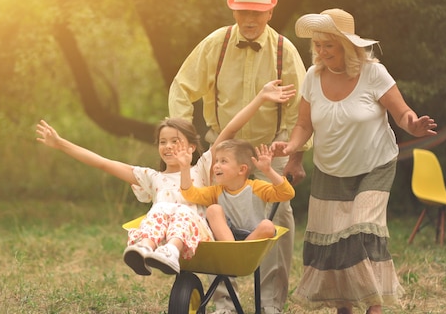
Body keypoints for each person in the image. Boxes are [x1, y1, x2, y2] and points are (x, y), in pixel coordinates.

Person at [34, 80, 293, 277]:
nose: (168, 147)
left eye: (175, 142)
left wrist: (260, 97)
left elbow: (230, 130)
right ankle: (145, 248)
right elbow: (104, 163)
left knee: (178, 210)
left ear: (192, 147)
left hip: (198, 233)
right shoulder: (151, 177)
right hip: (165, 230)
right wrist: (61, 144)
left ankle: (171, 250)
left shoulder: (202, 169)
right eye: (163, 142)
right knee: (159, 210)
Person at [271, 8, 437, 314]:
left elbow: (402, 113)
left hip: (374, 166)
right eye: (317, 45)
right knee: (333, 242)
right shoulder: (312, 77)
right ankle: (344, 307)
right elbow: (304, 125)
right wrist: (291, 148)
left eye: (328, 45)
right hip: (330, 171)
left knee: (361, 231)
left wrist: (412, 125)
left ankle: (374, 307)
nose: (320, 51)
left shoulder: (374, 73)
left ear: (346, 45)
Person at [168, 0, 311, 314]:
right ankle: (222, 301)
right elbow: (181, 88)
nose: (250, 19)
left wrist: (296, 156)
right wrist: (183, 142)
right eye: (244, 11)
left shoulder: (283, 50)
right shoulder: (215, 44)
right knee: (211, 217)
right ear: (234, 9)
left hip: (267, 152)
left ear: (271, 11)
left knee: (280, 220)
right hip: (223, 147)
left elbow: (302, 109)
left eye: (258, 13)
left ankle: (272, 303)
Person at [179, 139, 294, 242]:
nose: (216, 166)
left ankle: (240, 251)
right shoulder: (216, 191)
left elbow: (287, 193)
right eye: (217, 161)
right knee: (213, 209)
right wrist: (184, 168)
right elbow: (190, 194)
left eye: (223, 161)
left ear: (242, 169)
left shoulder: (256, 188)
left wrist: (268, 171)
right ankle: (232, 249)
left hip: (253, 236)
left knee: (268, 226)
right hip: (227, 236)